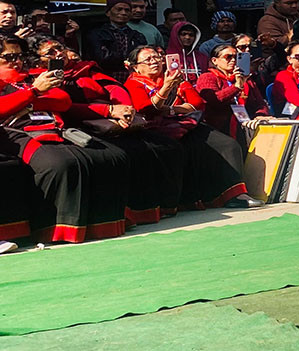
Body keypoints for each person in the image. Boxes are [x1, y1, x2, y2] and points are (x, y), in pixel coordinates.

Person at [34, 38, 185, 225]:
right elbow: (65, 106)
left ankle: (158, 207)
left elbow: (113, 87)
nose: (58, 54)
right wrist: (110, 111)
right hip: (81, 122)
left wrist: (123, 107)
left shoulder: (84, 68)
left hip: (114, 116)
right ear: (36, 59)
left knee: (164, 146)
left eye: (60, 48)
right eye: (50, 53)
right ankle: (125, 213)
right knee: (121, 155)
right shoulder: (39, 77)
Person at [0, 36, 130, 243]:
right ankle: (55, 229)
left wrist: (31, 101)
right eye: (9, 57)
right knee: (60, 164)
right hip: (14, 131)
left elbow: (62, 100)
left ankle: (101, 224)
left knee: (111, 156)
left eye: (20, 56)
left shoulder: (32, 76)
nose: (17, 61)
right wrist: (34, 93)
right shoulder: (24, 83)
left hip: (53, 125)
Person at [125, 45, 262, 209]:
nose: (154, 61)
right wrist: (167, 88)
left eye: (156, 57)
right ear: (135, 66)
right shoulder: (134, 84)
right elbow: (145, 109)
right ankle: (179, 203)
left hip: (183, 124)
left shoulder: (175, 78)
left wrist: (169, 108)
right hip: (154, 128)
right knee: (177, 150)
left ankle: (235, 194)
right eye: (148, 59)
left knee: (227, 144)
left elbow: (197, 104)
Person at [195, 44, 270, 143]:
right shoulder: (208, 77)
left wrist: (260, 115)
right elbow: (214, 100)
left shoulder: (245, 79)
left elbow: (260, 103)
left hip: (246, 124)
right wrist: (237, 86)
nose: (233, 60)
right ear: (214, 61)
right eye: (228, 57)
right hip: (218, 128)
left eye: (236, 57)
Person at [84, 0, 147, 81]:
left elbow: (143, 60)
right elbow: (102, 59)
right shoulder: (96, 34)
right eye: (119, 9)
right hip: (104, 81)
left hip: (132, 80)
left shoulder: (137, 36)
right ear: (108, 12)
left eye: (127, 10)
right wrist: (129, 58)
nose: (123, 13)